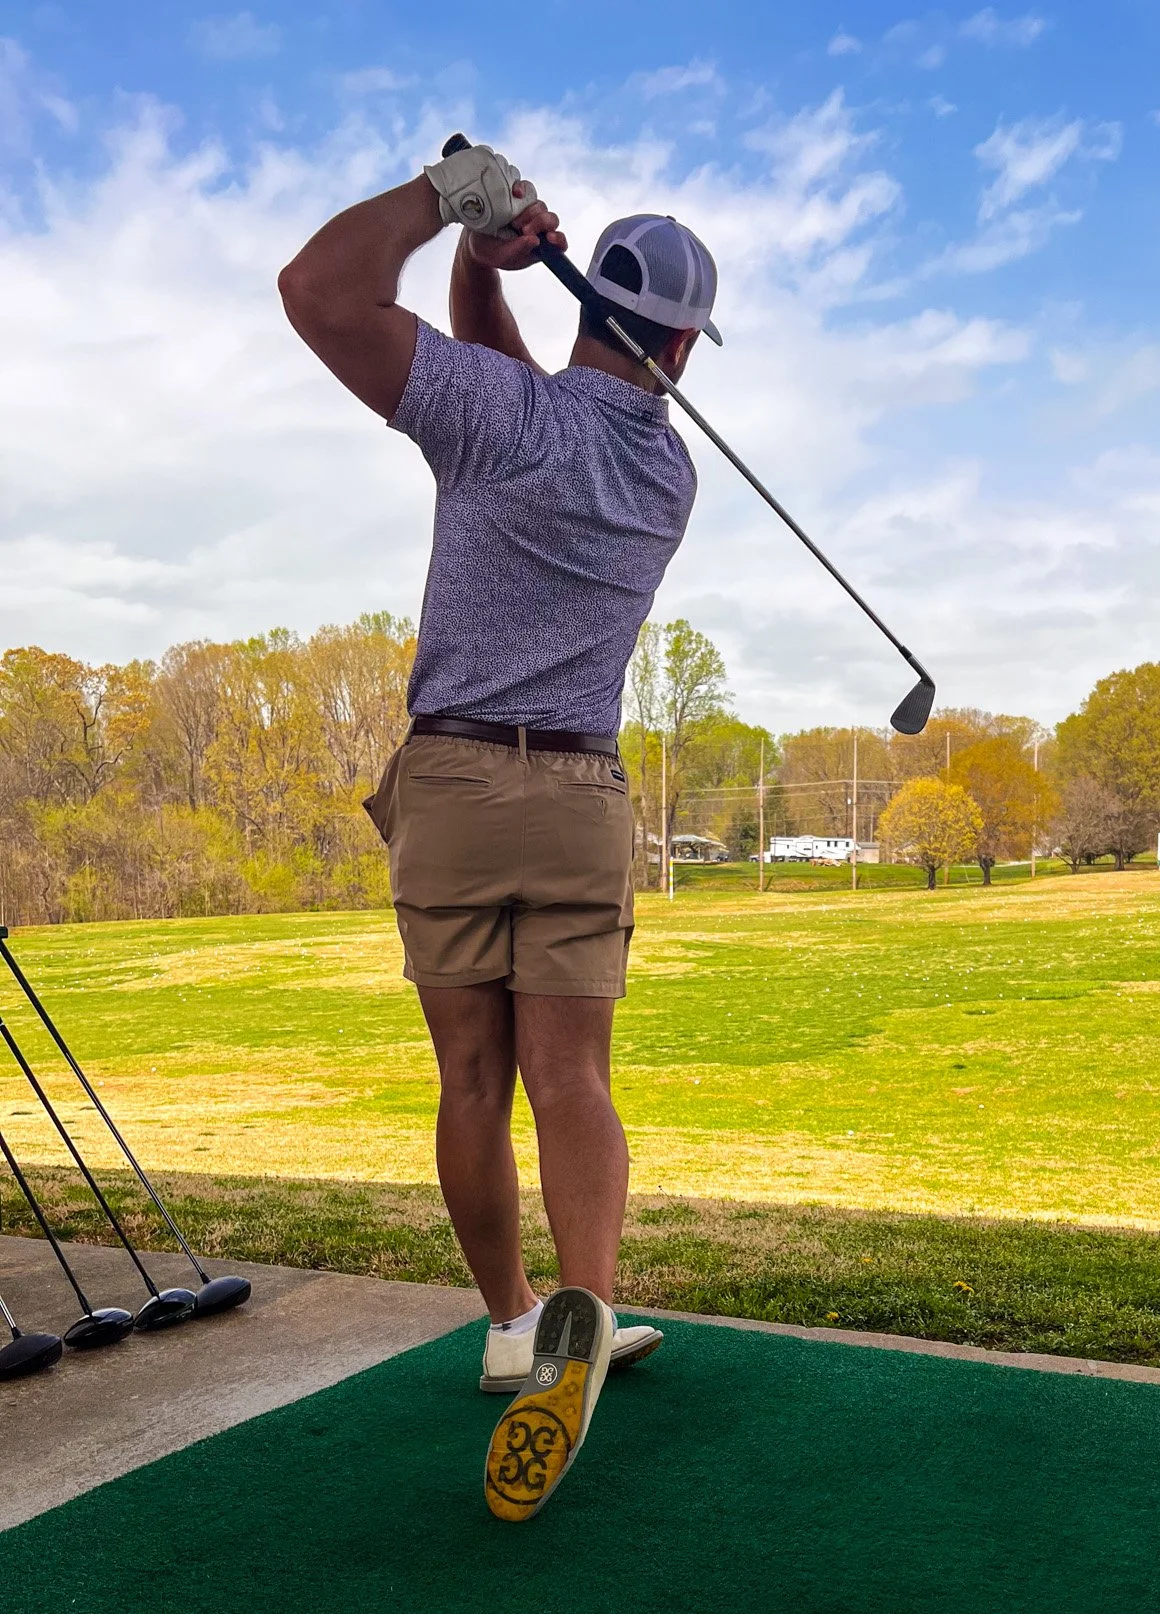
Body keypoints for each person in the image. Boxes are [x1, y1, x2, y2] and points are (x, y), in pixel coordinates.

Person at [278, 142, 721, 1519]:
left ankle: (511, 1321)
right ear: (685, 343)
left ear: (591, 304)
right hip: (580, 796)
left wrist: (448, 209)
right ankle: (584, 1311)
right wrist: (490, 264)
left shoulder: (497, 420)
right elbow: (523, 383)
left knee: (473, 1081)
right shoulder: (666, 482)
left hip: (457, 793)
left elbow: (319, 291)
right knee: (571, 1080)